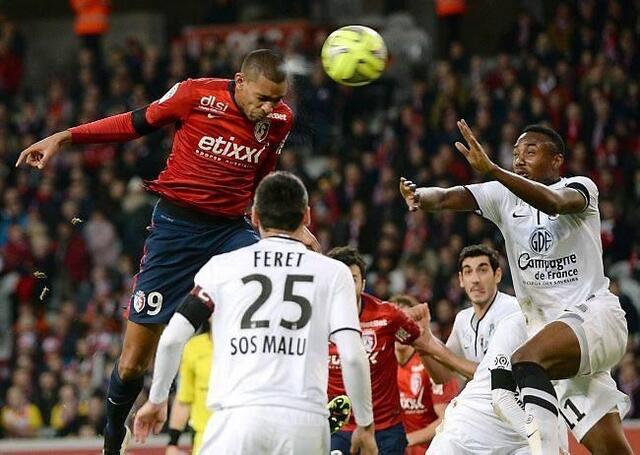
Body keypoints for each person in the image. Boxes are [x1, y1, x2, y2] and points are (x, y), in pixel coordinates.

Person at [16, 49, 320, 455]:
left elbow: (259, 179)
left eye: (277, 100)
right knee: (132, 362)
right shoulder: (195, 95)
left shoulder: (280, 120)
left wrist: (288, 228)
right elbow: (132, 124)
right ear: (240, 81)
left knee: (277, 286)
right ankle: (112, 443)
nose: (270, 108)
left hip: (231, 232)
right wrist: (65, 136)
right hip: (176, 231)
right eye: (263, 98)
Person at [400, 121, 631, 454]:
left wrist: (492, 169)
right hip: (554, 343)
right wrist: (420, 196)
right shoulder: (503, 196)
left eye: (531, 151)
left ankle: (543, 450)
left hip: (595, 318)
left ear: (557, 160)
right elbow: (452, 196)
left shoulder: (582, 187)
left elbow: (554, 203)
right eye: (516, 153)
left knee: (523, 362)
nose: (519, 159)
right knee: (611, 449)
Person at [133, 171, 377, 455]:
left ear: (255, 217)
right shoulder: (333, 273)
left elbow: (174, 337)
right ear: (307, 217)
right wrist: (365, 424)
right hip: (305, 421)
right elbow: (352, 355)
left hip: (236, 417)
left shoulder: (222, 267)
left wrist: (158, 398)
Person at [326, 246, 429, 455]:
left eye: (352, 278)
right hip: (337, 427)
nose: (345, 285)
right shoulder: (315, 318)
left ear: (363, 283)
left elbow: (418, 341)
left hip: (385, 428)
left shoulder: (388, 316)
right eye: (339, 278)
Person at [427, 311, 568, 454]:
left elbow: (560, 408)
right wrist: (546, 444)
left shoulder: (579, 342)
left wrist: (558, 447)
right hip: (469, 429)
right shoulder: (517, 324)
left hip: (518, 442)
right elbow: (502, 399)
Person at [418, 244, 519, 383]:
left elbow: (493, 375)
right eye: (468, 272)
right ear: (461, 279)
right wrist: (420, 343)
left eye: (482, 270)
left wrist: (435, 348)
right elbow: (444, 377)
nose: (475, 280)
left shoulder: (512, 310)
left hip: (511, 397)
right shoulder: (462, 318)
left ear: (497, 275)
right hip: (480, 400)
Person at [391, 294, 458, 455]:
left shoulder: (432, 364)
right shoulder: (380, 363)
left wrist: (406, 439)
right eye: (395, 322)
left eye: (405, 322)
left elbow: (447, 420)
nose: (400, 329)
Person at [166, 320, 213, 455]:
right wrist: (173, 443)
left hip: (239, 432)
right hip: (204, 439)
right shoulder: (193, 347)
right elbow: (184, 398)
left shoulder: (245, 348)